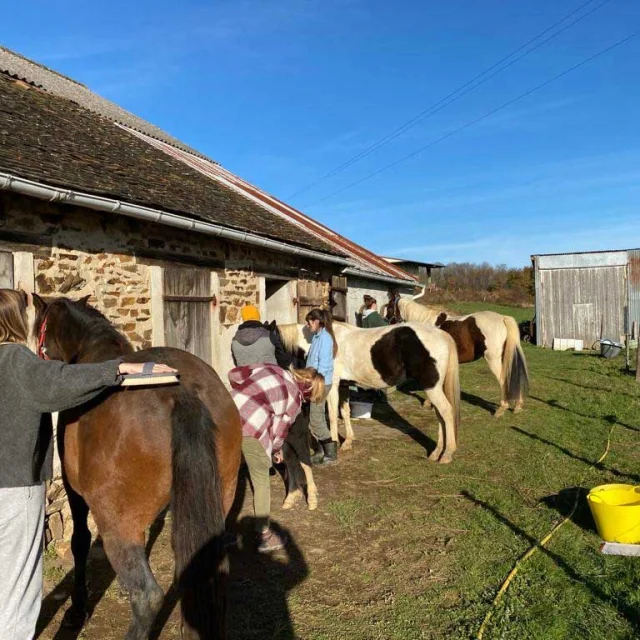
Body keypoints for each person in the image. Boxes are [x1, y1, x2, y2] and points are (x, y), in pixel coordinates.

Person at [0, 289, 177, 639]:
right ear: (16, 320)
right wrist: (117, 369)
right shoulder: (16, 360)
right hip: (15, 491)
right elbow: (60, 382)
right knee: (17, 593)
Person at [228, 364, 324, 552]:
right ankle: (263, 535)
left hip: (226, 415)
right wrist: (275, 451)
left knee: (226, 476)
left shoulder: (273, 368)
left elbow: (234, 374)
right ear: (308, 390)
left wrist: (245, 393)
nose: (307, 401)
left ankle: (221, 532)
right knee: (261, 480)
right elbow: (280, 431)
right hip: (252, 427)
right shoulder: (294, 399)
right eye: (311, 397)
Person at [305, 308, 338, 465]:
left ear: (317, 321)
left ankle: (330, 454)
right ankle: (320, 452)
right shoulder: (317, 337)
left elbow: (324, 365)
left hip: (320, 383)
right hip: (316, 382)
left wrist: (316, 384)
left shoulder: (325, 339)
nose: (307, 325)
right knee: (315, 418)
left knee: (316, 419)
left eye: (309, 321)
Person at [231, 305, 292, 369]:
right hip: (269, 377)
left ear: (243, 318)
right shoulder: (269, 335)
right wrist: (291, 357)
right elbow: (283, 360)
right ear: (258, 316)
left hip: (246, 378)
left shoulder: (234, 341)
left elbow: (236, 363)